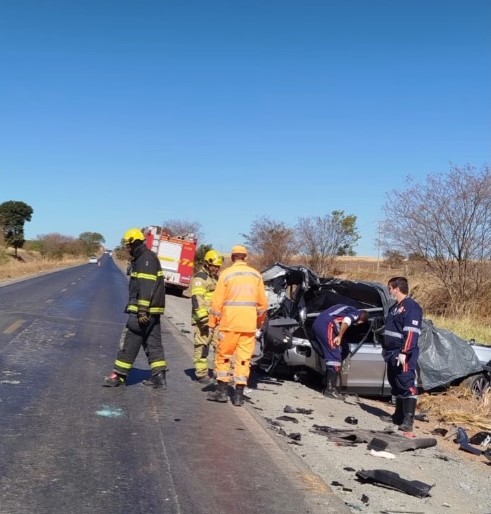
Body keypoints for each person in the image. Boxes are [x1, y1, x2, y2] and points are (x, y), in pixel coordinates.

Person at [102, 228, 167, 389]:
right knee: (153, 343)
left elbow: (146, 286)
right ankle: (159, 377)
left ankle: (119, 375)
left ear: (134, 243)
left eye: (128, 245)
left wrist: (142, 310)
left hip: (143, 312)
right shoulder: (146, 257)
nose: (127, 248)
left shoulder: (145, 259)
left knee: (130, 339)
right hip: (153, 312)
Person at [206, 245, 268, 406]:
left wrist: (212, 323)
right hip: (248, 326)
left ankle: (222, 392)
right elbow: (263, 305)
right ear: (246, 257)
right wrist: (258, 324)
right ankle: (239, 396)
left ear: (232, 258)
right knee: (244, 359)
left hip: (229, 324)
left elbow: (217, 303)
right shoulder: (256, 276)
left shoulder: (226, 275)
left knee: (224, 357)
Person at [382, 276, 423, 432]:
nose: (389, 291)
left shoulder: (412, 308)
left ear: (397, 288)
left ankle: (408, 420)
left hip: (403, 353)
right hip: (391, 353)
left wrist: (405, 352)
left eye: (390, 288)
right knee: (395, 383)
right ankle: (398, 415)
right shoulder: (394, 308)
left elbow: (411, 333)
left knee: (406, 383)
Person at [312, 305, 369, 399]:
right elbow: (346, 321)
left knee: (339, 351)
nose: (357, 324)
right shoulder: (357, 313)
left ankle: (326, 382)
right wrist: (339, 336)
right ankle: (330, 390)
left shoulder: (346, 308)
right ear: (362, 318)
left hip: (319, 322)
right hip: (326, 325)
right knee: (335, 357)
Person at [190, 248, 223, 385]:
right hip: (203, 320)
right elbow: (197, 299)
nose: (216, 269)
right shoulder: (200, 278)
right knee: (202, 346)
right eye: (214, 266)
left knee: (219, 346)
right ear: (207, 264)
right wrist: (203, 319)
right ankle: (201, 374)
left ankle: (218, 372)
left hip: (216, 320)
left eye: (218, 267)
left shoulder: (215, 278)